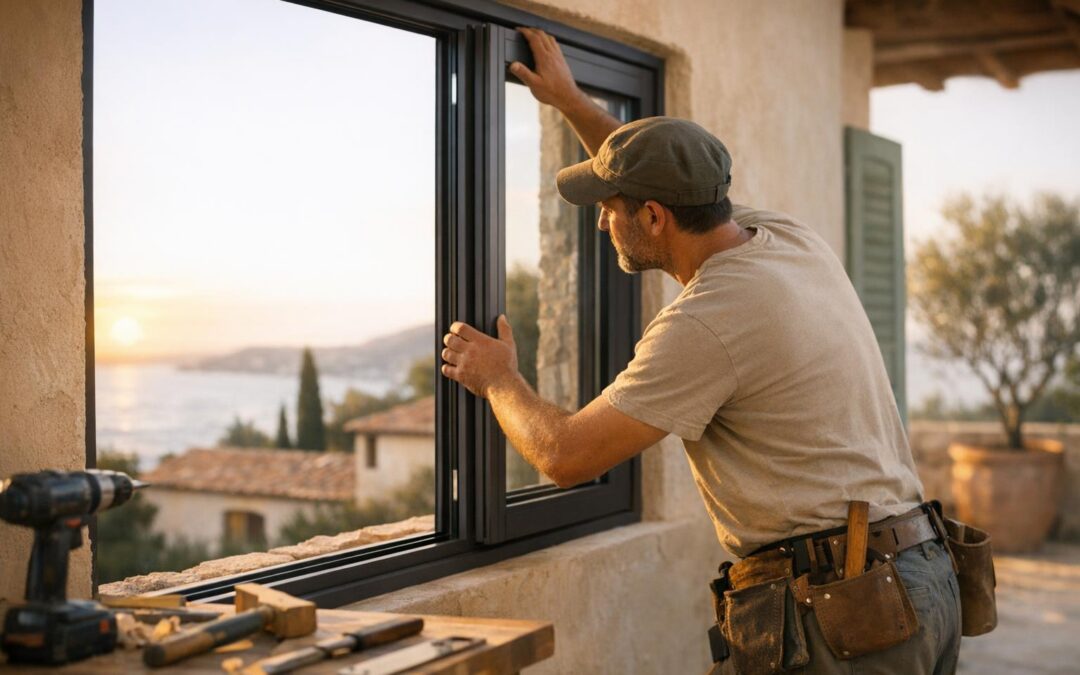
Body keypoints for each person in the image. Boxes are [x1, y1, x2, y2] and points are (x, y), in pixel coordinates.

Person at [440, 27, 963, 674]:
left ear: (654, 217)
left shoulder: (705, 321)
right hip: (922, 576)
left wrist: (498, 378)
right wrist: (572, 101)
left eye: (609, 207)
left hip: (848, 613)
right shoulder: (784, 236)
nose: (600, 220)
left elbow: (566, 455)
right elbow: (671, 170)